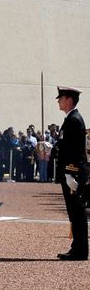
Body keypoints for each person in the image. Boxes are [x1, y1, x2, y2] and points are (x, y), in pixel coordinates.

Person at [53, 86, 87, 260]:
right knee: (74, 212)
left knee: (77, 212)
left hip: (72, 173)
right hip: (69, 172)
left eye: (61, 98)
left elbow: (75, 150)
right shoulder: (70, 119)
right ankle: (77, 248)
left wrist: (70, 173)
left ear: (69, 100)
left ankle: (80, 250)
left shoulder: (74, 120)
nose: (58, 101)